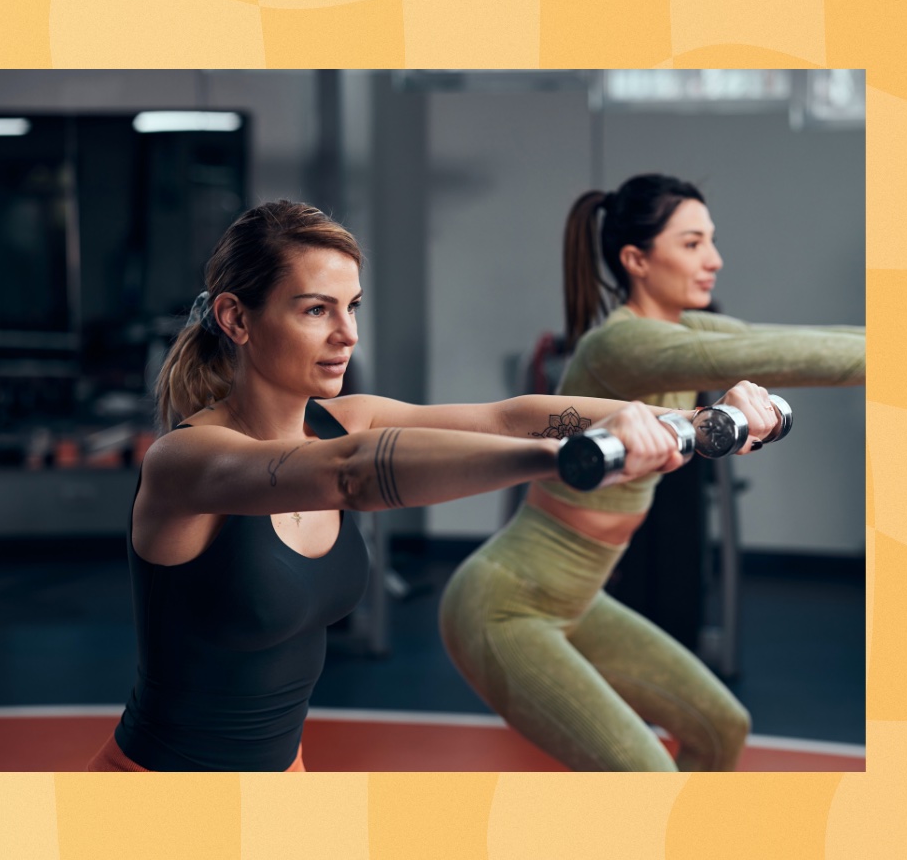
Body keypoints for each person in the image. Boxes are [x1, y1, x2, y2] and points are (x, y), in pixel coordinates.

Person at [86, 199, 754, 772]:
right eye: (317, 310)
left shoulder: (341, 418)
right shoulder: (185, 462)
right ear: (236, 319)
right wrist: (567, 457)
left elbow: (510, 417)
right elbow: (348, 475)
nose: (346, 335)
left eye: (351, 308)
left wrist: (689, 419)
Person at [439, 174, 866, 772]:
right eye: (692, 244)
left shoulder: (681, 331)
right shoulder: (621, 345)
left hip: (578, 601)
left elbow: (785, 340)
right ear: (637, 259)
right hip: (505, 605)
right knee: (649, 780)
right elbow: (769, 357)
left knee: (722, 729)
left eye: (711, 241)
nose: (713, 259)